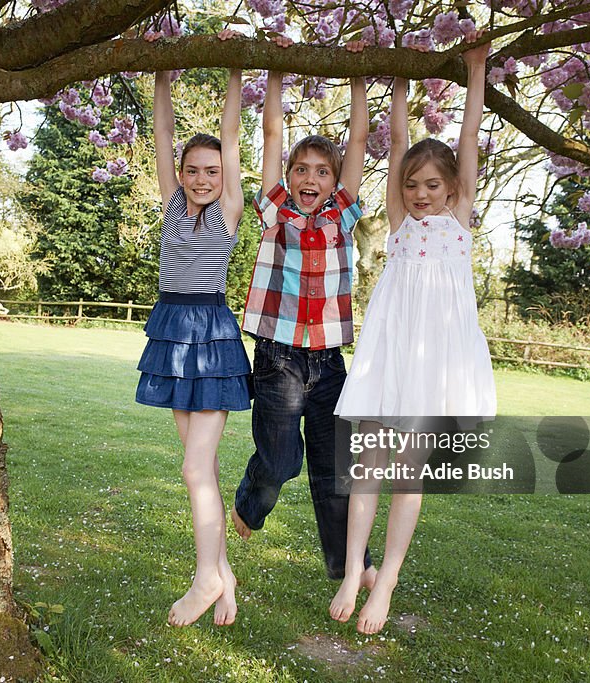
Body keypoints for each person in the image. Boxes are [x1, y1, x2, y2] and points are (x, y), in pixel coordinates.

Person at [329, 32, 497, 634]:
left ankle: (388, 582)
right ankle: (354, 569)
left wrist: (476, 72)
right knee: (367, 469)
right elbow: (398, 142)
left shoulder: (460, 220)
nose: (421, 194)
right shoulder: (398, 221)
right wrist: (398, 80)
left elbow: (470, 136)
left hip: (436, 364)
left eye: (432, 185)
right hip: (390, 354)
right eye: (412, 184)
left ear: (452, 188)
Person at [230, 36, 377, 589]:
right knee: (280, 461)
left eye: (321, 170)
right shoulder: (275, 212)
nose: (310, 179)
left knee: (333, 470)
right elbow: (270, 133)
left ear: (334, 180)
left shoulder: (341, 214)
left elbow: (360, 138)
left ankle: (348, 566)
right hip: (277, 359)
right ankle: (250, 502)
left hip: (329, 364)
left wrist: (364, 76)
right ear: (289, 177)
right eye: (301, 169)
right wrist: (273, 71)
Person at [136, 37, 249, 626]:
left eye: (212, 171)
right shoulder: (174, 205)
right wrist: (161, 76)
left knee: (191, 469)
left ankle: (206, 577)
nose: (203, 178)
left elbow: (230, 138)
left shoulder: (227, 209)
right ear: (180, 174)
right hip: (170, 329)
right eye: (193, 170)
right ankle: (223, 577)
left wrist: (236, 71)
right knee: (199, 467)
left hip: (211, 335)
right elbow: (161, 134)